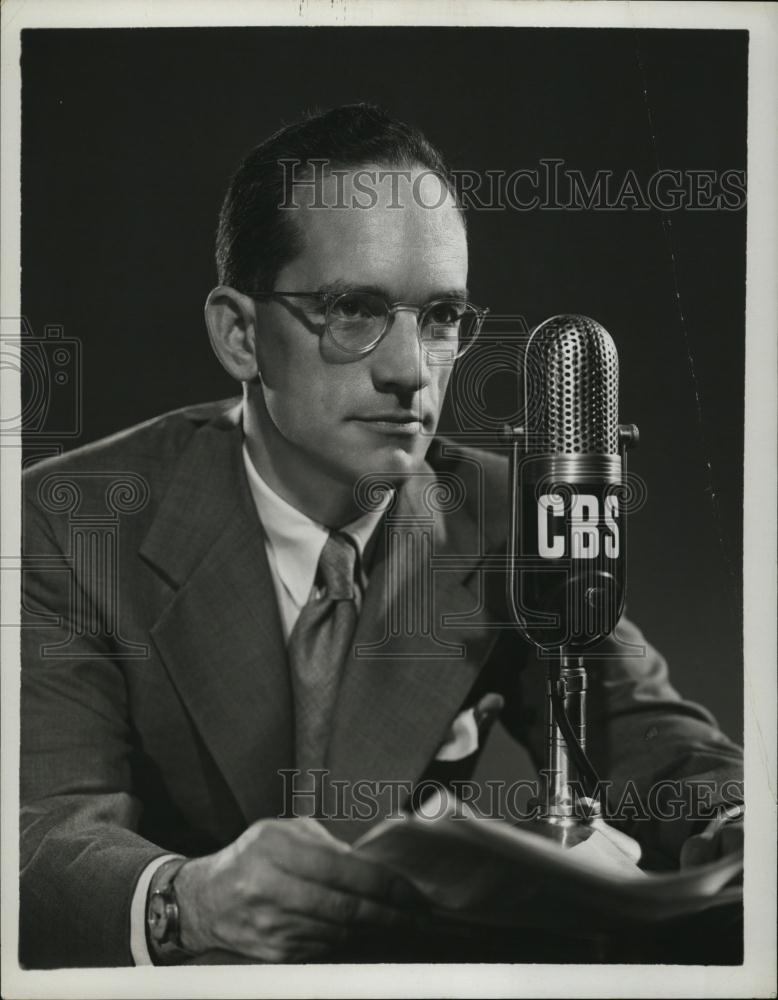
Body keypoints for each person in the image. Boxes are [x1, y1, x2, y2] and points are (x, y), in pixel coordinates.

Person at [19, 103, 743, 969]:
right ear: (239, 332)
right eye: (353, 310)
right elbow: (43, 838)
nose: (410, 372)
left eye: (439, 318)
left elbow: (657, 744)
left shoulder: (504, 512)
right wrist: (191, 899)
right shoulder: (69, 520)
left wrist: (734, 819)